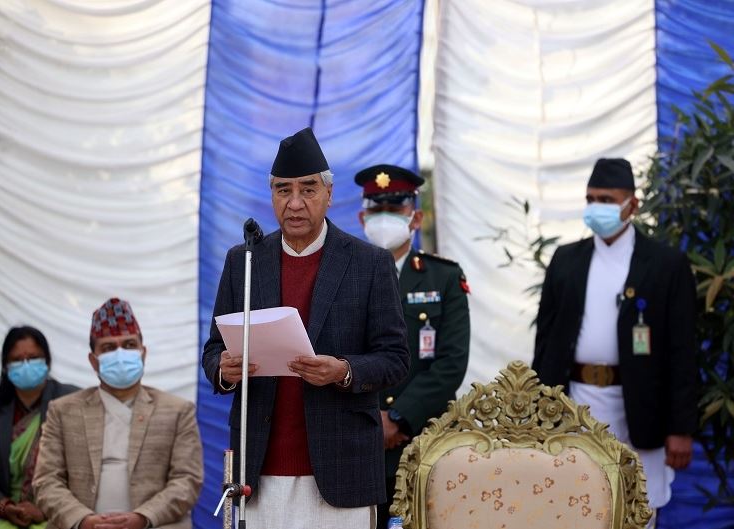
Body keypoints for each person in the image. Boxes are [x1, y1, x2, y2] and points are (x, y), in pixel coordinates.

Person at [202, 128, 409, 529]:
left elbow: (395, 358)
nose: (295, 203)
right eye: (283, 190)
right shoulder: (244, 261)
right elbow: (213, 349)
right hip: (259, 471)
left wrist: (344, 371)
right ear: (272, 196)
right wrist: (223, 371)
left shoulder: (369, 263)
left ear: (329, 194)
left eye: (308, 190)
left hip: (341, 469)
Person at [533, 158, 697, 520]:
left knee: (639, 508)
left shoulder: (666, 264)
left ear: (632, 205)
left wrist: (681, 428)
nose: (596, 208)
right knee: (577, 509)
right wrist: (537, 414)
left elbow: (683, 351)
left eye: (607, 199)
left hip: (642, 407)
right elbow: (545, 343)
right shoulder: (566, 260)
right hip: (577, 403)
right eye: (591, 198)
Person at [354, 164, 471, 528]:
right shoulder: (344, 275)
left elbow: (450, 362)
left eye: (395, 208)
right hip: (357, 436)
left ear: (416, 217)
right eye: (376, 209)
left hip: (421, 441)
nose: (384, 217)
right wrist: (373, 420)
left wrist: (399, 418)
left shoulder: (443, 277)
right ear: (362, 217)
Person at [33, 298, 202, 529]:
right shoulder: (62, 411)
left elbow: (187, 481)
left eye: (130, 345)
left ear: (143, 353)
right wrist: (84, 521)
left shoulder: (177, 411)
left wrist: (142, 518)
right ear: (94, 361)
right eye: (109, 348)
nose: (121, 354)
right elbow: (46, 481)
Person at [0, 325, 79, 529]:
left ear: (47, 361)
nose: (25, 364)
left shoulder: (71, 401)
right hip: (9, 514)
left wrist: (46, 509)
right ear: (5, 366)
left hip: (60, 511)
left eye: (33, 357)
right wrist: (5, 507)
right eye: (17, 360)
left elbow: (85, 471)